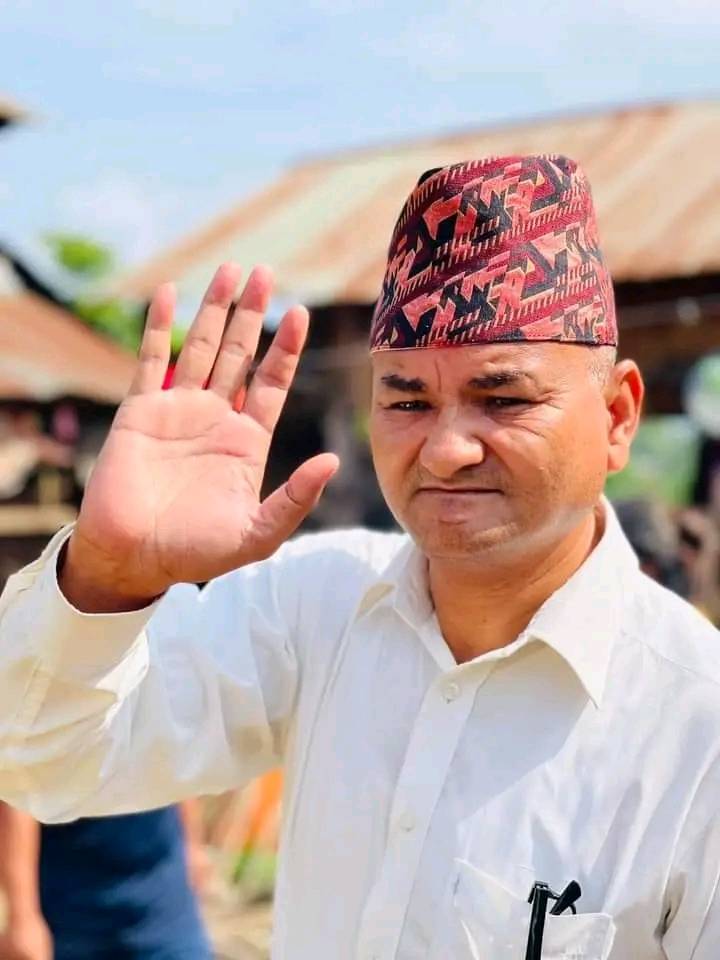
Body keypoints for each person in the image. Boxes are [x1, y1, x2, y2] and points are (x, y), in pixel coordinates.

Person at [0, 155, 719, 959]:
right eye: (408, 400)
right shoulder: (317, 606)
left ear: (618, 417)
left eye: (503, 399)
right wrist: (109, 574)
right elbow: (40, 763)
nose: (444, 450)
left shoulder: (698, 726)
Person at [0, 800, 212, 960]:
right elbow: (17, 796)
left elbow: (175, 761)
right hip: (71, 906)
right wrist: (22, 916)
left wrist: (193, 843)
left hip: (163, 894)